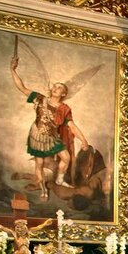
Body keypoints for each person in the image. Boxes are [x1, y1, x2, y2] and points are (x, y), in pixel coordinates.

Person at [11, 56, 90, 201]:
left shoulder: (64, 108)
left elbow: (72, 126)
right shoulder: (40, 99)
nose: (55, 88)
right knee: (39, 163)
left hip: (52, 137)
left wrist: (84, 140)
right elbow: (22, 88)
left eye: (59, 87)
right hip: (38, 135)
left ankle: (59, 180)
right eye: (54, 86)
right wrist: (13, 70)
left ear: (63, 94)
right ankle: (43, 190)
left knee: (66, 158)